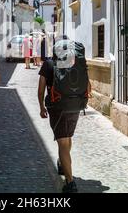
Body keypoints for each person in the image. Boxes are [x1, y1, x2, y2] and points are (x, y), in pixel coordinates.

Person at [37, 37, 91, 193]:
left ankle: (70, 182)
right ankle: (62, 163)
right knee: (67, 138)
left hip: (57, 107)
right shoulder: (78, 64)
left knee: (62, 142)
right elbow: (88, 86)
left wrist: (41, 107)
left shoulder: (49, 64)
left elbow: (40, 89)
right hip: (75, 106)